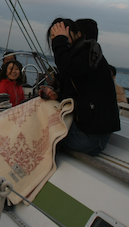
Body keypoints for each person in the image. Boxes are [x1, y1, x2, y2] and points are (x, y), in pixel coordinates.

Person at [48, 18, 120, 155]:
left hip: (91, 138)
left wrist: (60, 41)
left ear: (78, 34)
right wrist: (58, 96)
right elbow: (81, 93)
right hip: (90, 133)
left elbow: (67, 68)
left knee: (39, 129)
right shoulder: (84, 57)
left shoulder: (89, 52)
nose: (54, 39)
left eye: (62, 33)